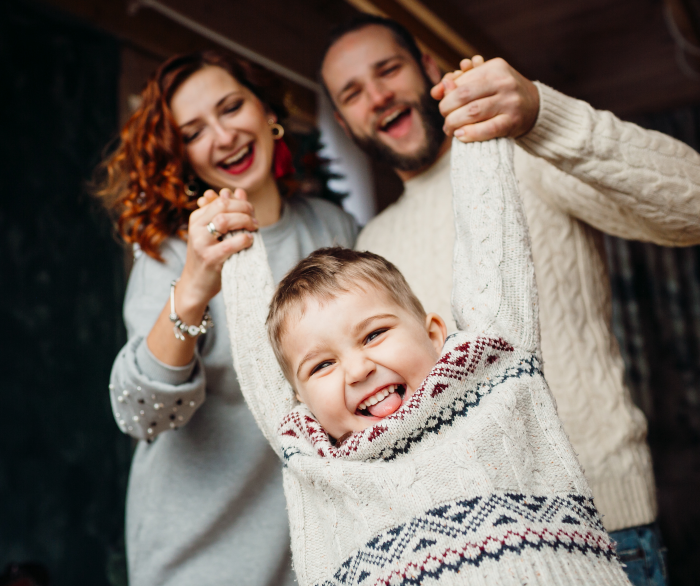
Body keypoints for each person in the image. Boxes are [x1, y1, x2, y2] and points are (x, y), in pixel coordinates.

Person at [319, 14, 700, 586]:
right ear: (345, 122)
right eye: (352, 93)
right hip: (464, 555)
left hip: (605, 528)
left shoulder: (528, 156)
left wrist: (546, 116)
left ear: (427, 67)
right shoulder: (371, 247)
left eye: (388, 69)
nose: (376, 97)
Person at [221, 137, 631, 586]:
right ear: (299, 401)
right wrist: (234, 249)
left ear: (435, 333)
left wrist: (477, 136)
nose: (358, 370)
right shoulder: (309, 453)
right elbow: (264, 371)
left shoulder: (494, 371)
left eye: (374, 334)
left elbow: (492, 259)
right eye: (322, 365)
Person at [95, 50, 358, 586]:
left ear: (266, 111)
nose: (223, 136)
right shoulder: (170, 254)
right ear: (183, 157)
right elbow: (140, 414)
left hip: (321, 550)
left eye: (232, 107)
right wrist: (194, 283)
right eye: (193, 132)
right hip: (200, 556)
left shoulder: (335, 228)